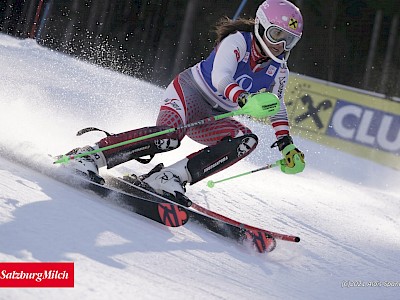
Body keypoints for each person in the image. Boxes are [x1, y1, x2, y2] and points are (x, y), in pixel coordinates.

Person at [64, 0, 305, 198]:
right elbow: (221, 78)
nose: (281, 46)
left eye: (289, 40)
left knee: (246, 141)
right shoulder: (238, 41)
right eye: (277, 35)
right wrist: (243, 99)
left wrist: (286, 144)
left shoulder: (280, 69)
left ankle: (170, 177)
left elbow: (277, 105)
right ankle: (89, 155)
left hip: (215, 116)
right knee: (169, 136)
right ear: (261, 27)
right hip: (189, 93)